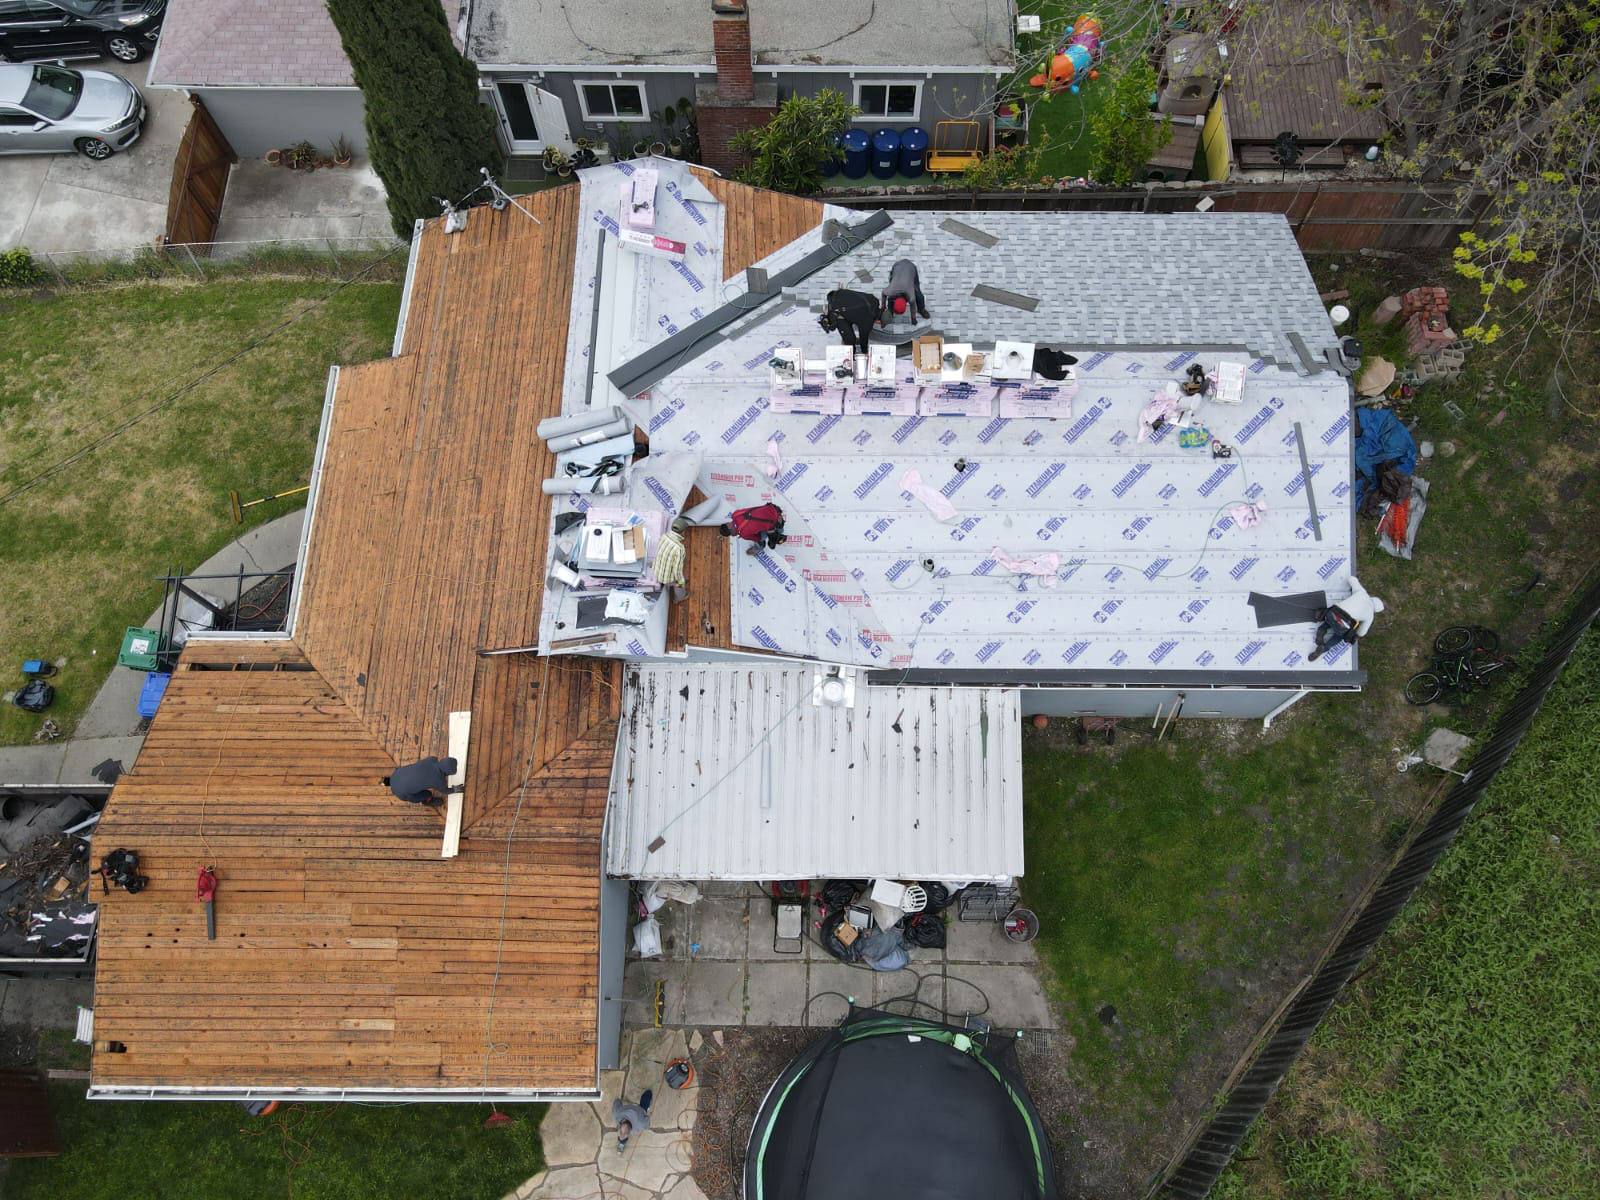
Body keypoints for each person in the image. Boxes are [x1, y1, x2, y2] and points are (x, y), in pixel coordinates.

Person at [1308, 577, 1385, 661]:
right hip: (1343, 625)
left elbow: (1352, 579)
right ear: (1375, 610)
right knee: (1340, 635)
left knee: (1331, 619)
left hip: (1332, 613)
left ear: (1372, 598)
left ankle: (1321, 630)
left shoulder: (1362, 593)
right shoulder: (1370, 615)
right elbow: (1362, 632)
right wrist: (1357, 634)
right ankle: (1324, 648)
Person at [819, 288, 881, 355]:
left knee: (852, 316)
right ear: (879, 321)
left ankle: (847, 340)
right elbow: (863, 337)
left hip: (839, 295)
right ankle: (849, 357)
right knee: (850, 341)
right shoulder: (868, 319)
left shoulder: (874, 300)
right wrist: (865, 351)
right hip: (837, 310)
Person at [383, 756, 459, 806]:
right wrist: (455, 789)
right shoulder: (438, 781)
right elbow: (445, 791)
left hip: (396, 775)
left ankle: (392, 783)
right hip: (403, 794)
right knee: (427, 793)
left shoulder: (432, 759)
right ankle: (427, 801)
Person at [720, 503, 787, 556]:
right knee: (776, 527)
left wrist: (739, 533)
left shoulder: (743, 534)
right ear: (728, 524)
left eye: (731, 534)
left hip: (774, 523)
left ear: (731, 532)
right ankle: (779, 528)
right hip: (773, 508)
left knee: (760, 538)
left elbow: (758, 538)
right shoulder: (735, 514)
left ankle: (760, 546)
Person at [613, 1089, 654, 1154]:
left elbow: (647, 1122)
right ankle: (648, 1093)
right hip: (637, 1109)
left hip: (641, 1110)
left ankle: (622, 1143)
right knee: (647, 1094)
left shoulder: (640, 1124)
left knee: (646, 1103)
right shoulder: (616, 1114)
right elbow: (617, 1101)